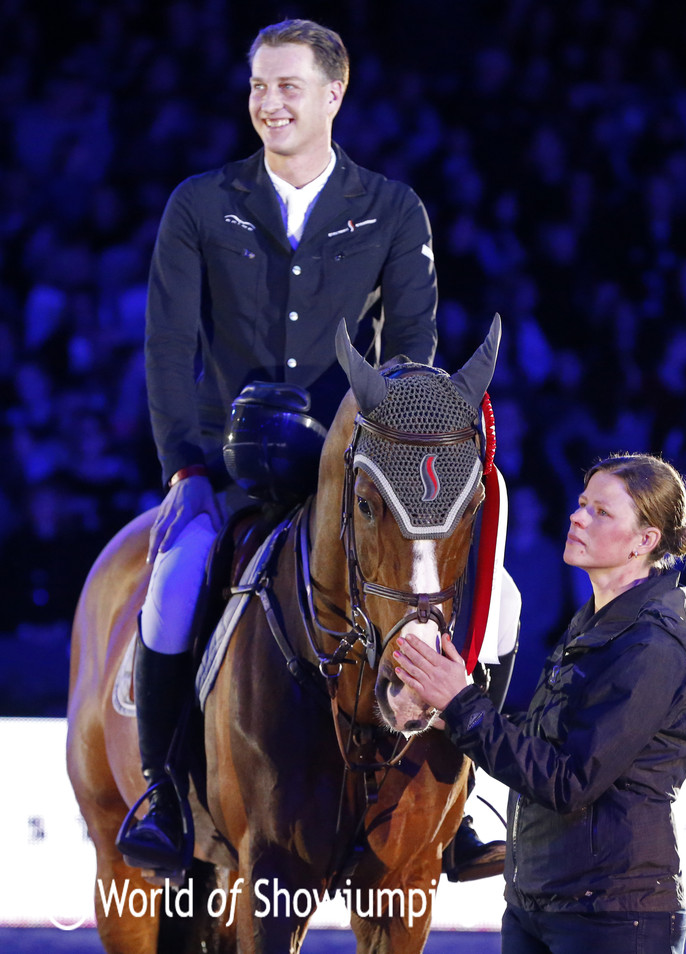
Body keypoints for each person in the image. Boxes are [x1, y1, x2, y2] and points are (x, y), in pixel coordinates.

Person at [118, 17, 509, 880]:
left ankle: (466, 793)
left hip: (354, 474)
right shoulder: (200, 202)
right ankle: (164, 792)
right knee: (177, 576)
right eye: (258, 85)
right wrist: (183, 468)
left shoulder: (391, 209)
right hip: (233, 468)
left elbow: (412, 361)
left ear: (335, 93)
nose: (269, 102)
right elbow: (167, 346)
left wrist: (399, 467)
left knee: (503, 596)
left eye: (288, 86)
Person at [394, 453, 686, 954]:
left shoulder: (651, 646)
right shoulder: (595, 623)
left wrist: (463, 704)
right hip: (540, 903)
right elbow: (546, 743)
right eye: (582, 504)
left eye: (601, 512)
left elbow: (569, 781)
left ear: (644, 541)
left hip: (610, 917)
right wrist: (447, 712)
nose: (577, 516)